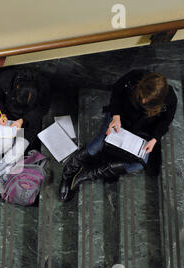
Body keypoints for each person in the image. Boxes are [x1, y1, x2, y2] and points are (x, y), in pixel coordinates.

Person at [59, 70, 177, 202]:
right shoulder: (135, 77)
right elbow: (116, 92)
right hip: (120, 119)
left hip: (141, 131)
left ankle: (88, 173)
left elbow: (166, 120)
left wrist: (155, 138)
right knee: (97, 145)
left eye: (148, 100)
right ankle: (68, 172)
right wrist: (115, 116)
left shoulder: (170, 99)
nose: (143, 100)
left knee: (139, 164)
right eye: (142, 96)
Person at [0, 69, 50, 207]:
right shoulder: (7, 79)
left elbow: (42, 110)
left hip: (28, 124)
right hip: (7, 117)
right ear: (17, 87)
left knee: (15, 154)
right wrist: (0, 114)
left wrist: (23, 120)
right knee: (2, 144)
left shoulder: (43, 86)